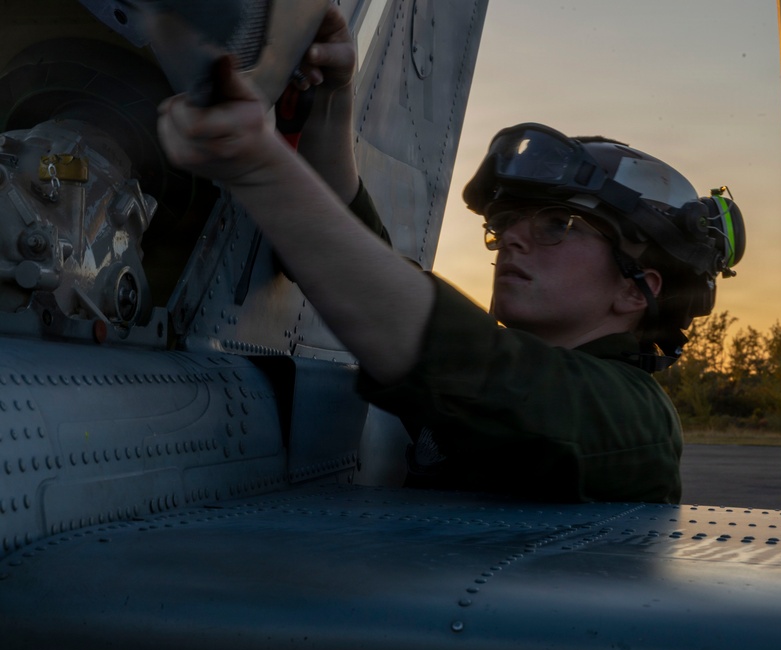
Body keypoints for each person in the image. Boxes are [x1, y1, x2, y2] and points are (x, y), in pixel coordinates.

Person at [157, 5, 744, 503]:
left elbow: (462, 360)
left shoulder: (635, 417)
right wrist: (332, 95)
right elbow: (368, 267)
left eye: (558, 225)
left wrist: (259, 170)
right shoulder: (493, 379)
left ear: (634, 288)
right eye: (507, 223)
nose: (513, 238)